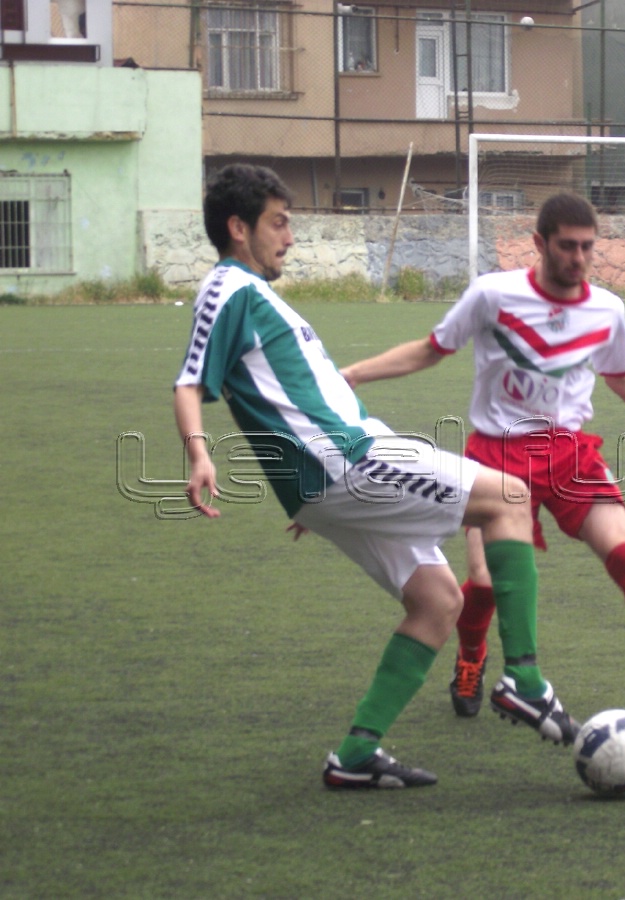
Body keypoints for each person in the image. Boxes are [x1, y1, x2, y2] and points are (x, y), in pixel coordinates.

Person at [173, 164, 579, 791]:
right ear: (237, 227)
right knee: (511, 499)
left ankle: (356, 754)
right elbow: (190, 381)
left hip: (329, 478)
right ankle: (525, 682)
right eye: (279, 222)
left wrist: (316, 499)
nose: (289, 237)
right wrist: (199, 454)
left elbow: (279, 400)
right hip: (348, 458)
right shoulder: (229, 289)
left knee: (437, 600)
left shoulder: (252, 295)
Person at [341, 192, 625, 736]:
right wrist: (356, 373)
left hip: (569, 454)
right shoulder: (492, 296)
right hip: (497, 456)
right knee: (482, 580)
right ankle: (472, 656)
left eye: (587, 247)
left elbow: (622, 376)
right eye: (567, 246)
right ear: (539, 244)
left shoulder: (607, 310)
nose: (578, 257)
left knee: (623, 551)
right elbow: (432, 348)